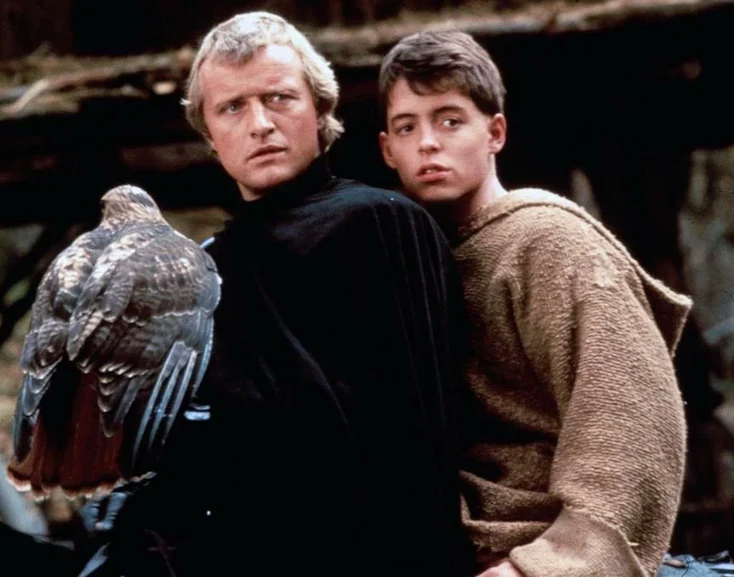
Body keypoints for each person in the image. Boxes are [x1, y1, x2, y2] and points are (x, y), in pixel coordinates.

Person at [93, 11, 473, 577]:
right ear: (210, 136)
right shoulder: (209, 265)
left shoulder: (381, 221)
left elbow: (419, 441)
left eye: (279, 99)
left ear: (320, 110)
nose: (260, 124)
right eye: (232, 108)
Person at [376, 30, 693, 577]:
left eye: (450, 121)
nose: (428, 142)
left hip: (533, 550)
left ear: (495, 132)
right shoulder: (405, 255)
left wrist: (551, 565)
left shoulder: (548, 241)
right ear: (387, 149)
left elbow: (630, 419)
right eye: (408, 127)